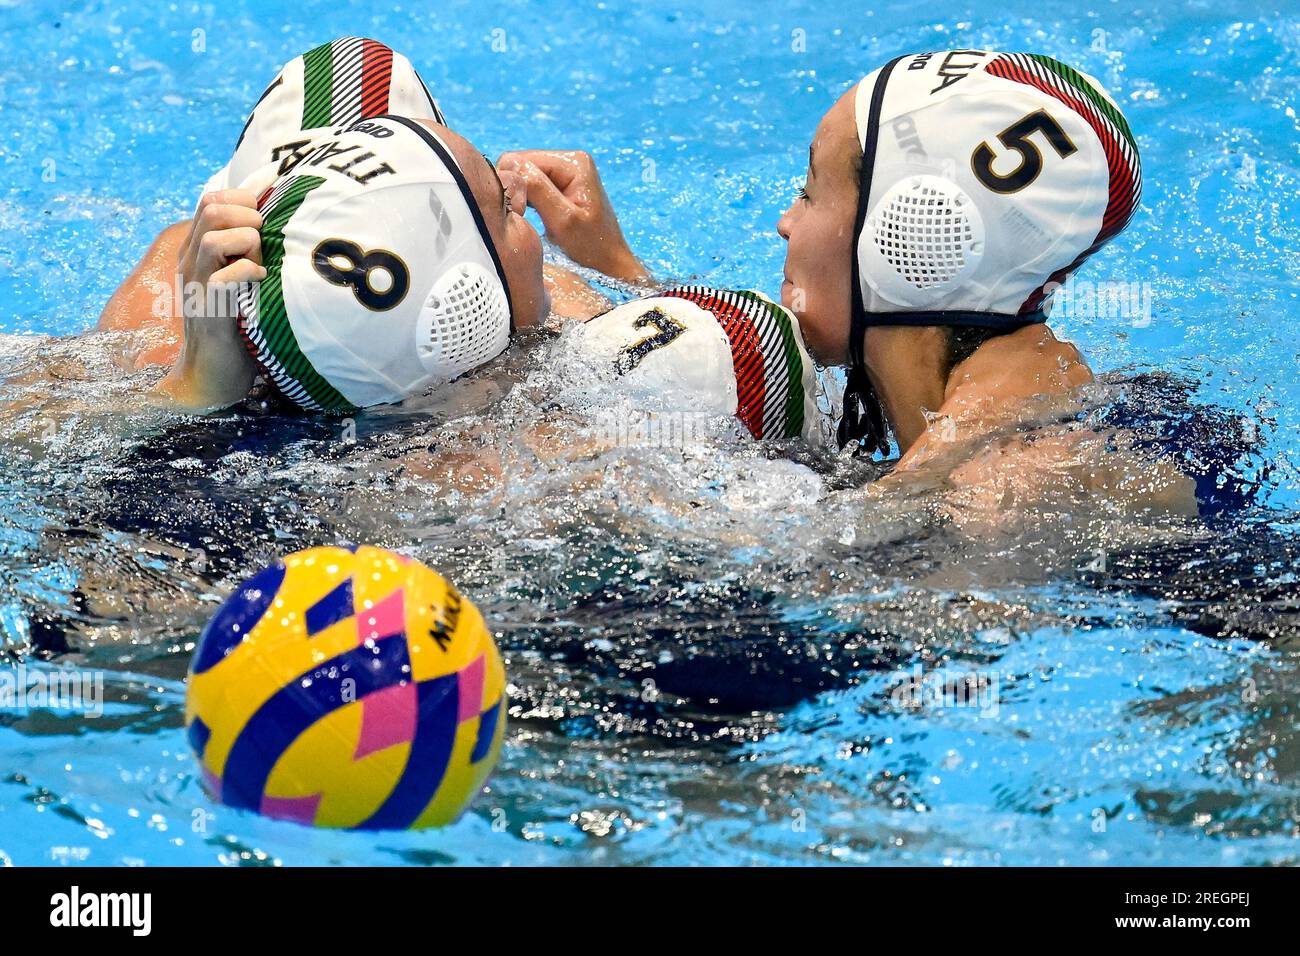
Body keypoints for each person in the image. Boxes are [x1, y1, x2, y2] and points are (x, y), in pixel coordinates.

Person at [509, 51, 1199, 516]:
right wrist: (618, 273)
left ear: (910, 239)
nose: (784, 223)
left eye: (809, 192)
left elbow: (831, 584)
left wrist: (598, 486)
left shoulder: (1013, 482)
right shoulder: (975, 418)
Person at [95, 37, 644, 411]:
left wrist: (196, 394)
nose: (518, 195)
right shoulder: (178, 291)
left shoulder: (183, 288)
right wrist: (613, 265)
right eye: (498, 203)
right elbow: (692, 352)